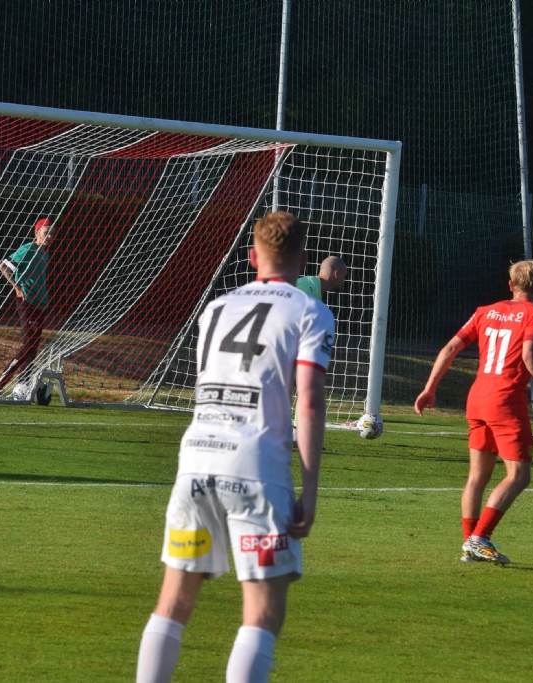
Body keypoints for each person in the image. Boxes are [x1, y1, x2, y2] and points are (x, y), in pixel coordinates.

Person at [136, 212, 335, 683]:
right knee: (262, 612)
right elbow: (309, 401)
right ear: (304, 259)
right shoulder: (310, 311)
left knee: (173, 602)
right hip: (256, 469)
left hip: (196, 462)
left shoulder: (216, 308)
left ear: (251, 257)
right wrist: (310, 487)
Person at [413, 260, 533, 564]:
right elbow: (529, 356)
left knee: (477, 476)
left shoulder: (485, 311)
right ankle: (479, 538)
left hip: (477, 398)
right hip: (505, 401)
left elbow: (450, 348)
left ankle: (470, 545)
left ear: (511, 285)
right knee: (519, 475)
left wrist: (429, 388)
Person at [0, 218, 53, 399]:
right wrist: (17, 288)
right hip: (27, 303)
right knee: (28, 345)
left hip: (40, 306)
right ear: (37, 233)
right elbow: (3, 266)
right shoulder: (28, 249)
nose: (49, 236)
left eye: (52, 233)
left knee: (32, 348)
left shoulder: (44, 253)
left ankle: (23, 386)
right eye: (46, 233)